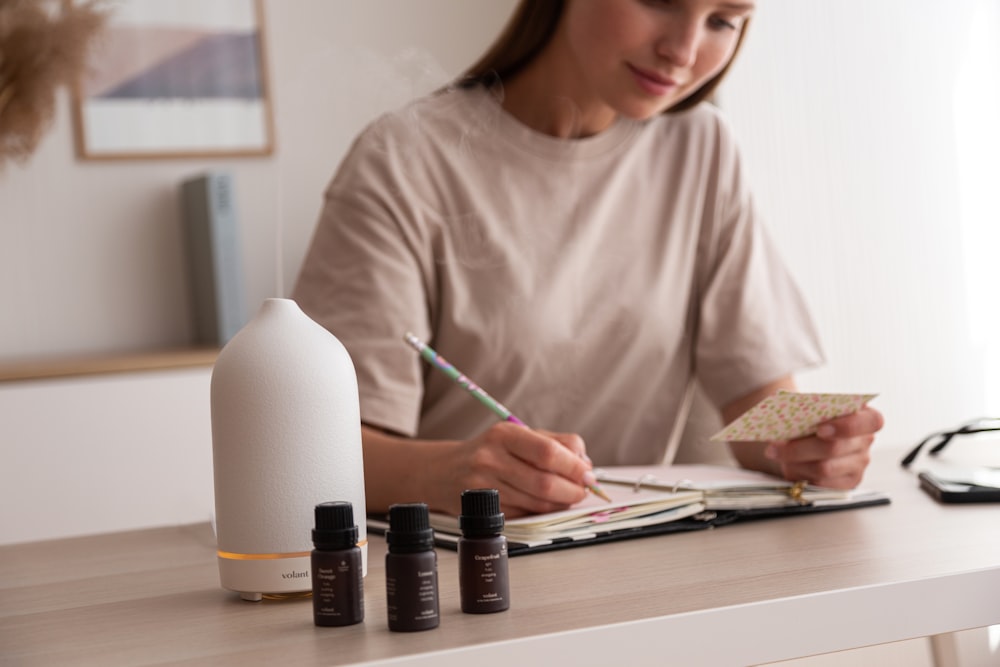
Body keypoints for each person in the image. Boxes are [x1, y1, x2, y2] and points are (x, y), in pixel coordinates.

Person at [292, 0, 884, 518]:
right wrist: (454, 474)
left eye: (723, 20)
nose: (683, 51)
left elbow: (756, 404)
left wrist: (805, 445)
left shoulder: (701, 147)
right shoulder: (403, 159)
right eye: (658, 0)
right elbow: (325, 454)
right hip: (460, 570)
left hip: (634, 554)